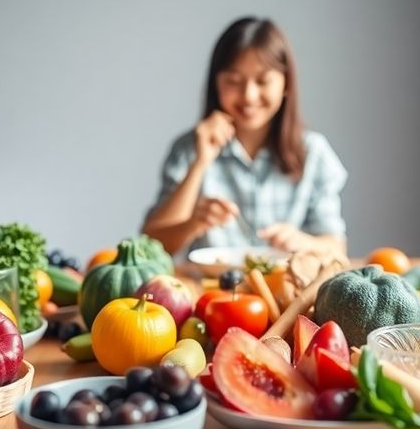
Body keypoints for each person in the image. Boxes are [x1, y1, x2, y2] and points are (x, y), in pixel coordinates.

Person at [142, 17, 348, 257]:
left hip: (284, 292)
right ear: (216, 84)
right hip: (212, 291)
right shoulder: (190, 148)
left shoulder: (313, 152)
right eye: (234, 81)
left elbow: (336, 248)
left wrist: (303, 242)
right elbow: (150, 248)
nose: (249, 95)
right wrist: (199, 166)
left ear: (286, 84)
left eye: (263, 81)